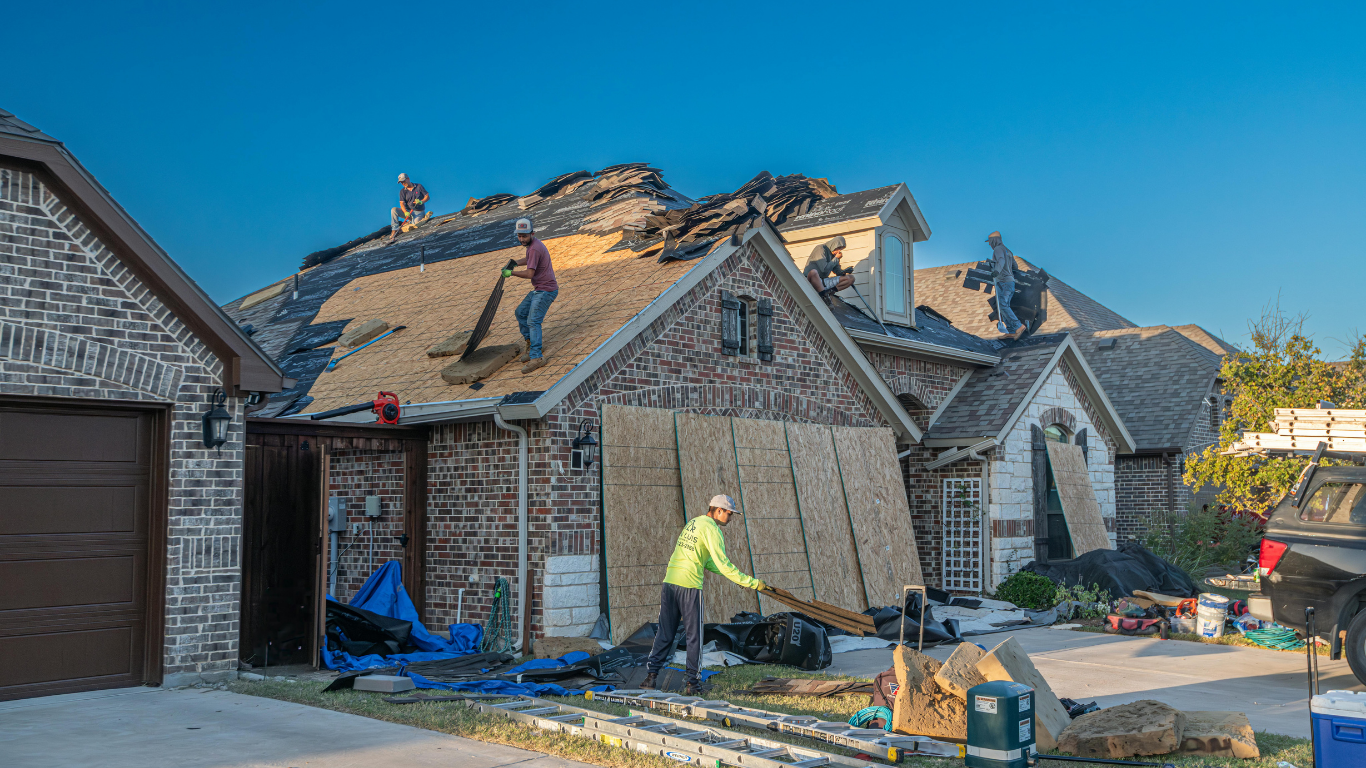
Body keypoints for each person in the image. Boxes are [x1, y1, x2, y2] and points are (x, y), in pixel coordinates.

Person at [642, 494, 766, 695]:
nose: (731, 518)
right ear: (718, 510)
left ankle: (650, 677)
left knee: (665, 632)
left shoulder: (693, 523)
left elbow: (708, 562)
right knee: (694, 637)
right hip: (689, 586)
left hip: (670, 583)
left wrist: (737, 579)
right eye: (729, 513)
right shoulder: (712, 529)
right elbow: (723, 564)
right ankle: (693, 684)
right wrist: (750, 582)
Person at [505, 218, 558, 373]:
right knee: (520, 312)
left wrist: (511, 272)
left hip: (546, 290)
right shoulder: (533, 246)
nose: (522, 239)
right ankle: (531, 343)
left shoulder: (534, 248)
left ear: (532, 233)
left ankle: (537, 356)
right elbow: (530, 259)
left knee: (533, 321)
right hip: (539, 288)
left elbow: (529, 273)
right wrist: (515, 262)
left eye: (525, 236)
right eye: (519, 236)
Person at [987, 231, 1027, 339]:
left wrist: (997, 271)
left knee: (1002, 305)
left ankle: (1018, 326)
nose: (990, 244)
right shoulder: (1008, 251)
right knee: (1003, 306)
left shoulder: (998, 249)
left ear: (994, 240)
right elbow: (1015, 266)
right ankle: (1012, 330)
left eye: (990, 242)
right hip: (1010, 282)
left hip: (1003, 282)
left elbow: (1001, 260)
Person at [389, 173, 430, 242]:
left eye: (404, 181)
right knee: (394, 210)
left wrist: (421, 201)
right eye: (401, 182)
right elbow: (402, 203)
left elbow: (427, 197)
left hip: (418, 212)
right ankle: (395, 229)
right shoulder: (402, 191)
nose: (403, 183)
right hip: (408, 212)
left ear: (408, 179)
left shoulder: (419, 186)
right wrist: (405, 212)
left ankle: (406, 226)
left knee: (415, 225)